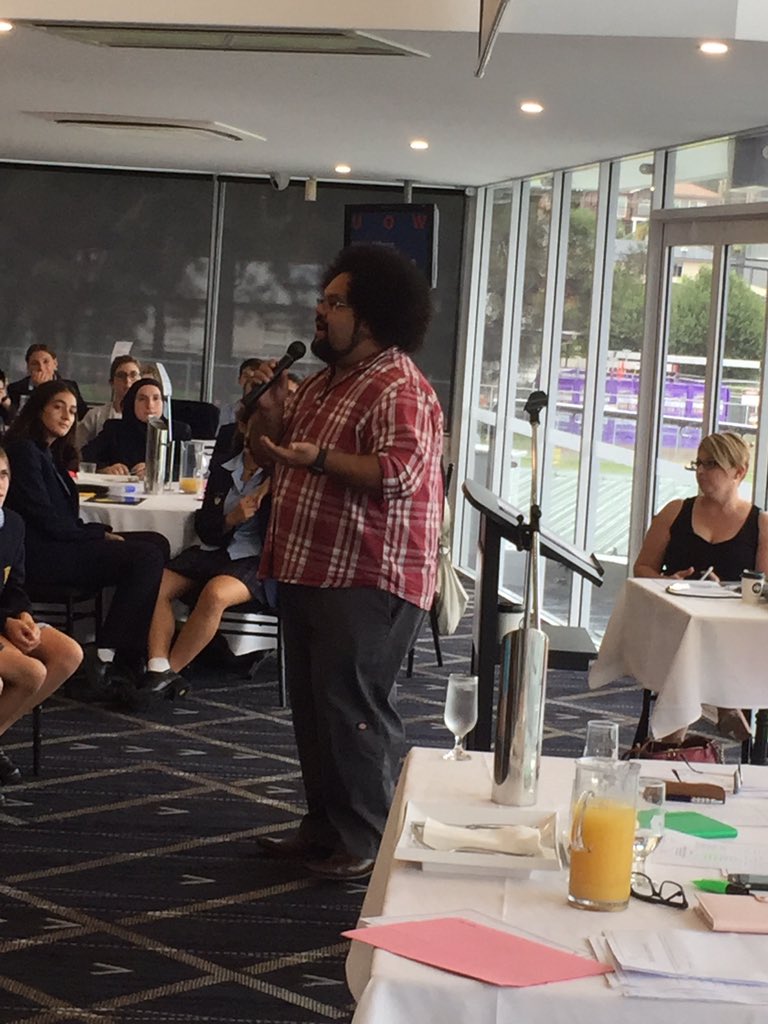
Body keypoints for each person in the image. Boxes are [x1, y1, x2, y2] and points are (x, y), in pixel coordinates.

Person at [251, 244, 444, 881]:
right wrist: (270, 421)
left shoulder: (399, 385)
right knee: (313, 707)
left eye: (335, 303)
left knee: (353, 707)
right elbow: (276, 455)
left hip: (370, 576)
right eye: (323, 299)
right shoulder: (327, 383)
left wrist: (320, 460)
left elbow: (400, 474)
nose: (320, 311)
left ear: (372, 317)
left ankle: (364, 839)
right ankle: (323, 827)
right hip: (311, 568)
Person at [4, 381, 169, 692]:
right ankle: (106, 654)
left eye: (73, 410)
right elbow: (46, 520)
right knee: (145, 556)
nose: (67, 416)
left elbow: (61, 519)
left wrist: (95, 535)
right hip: (42, 554)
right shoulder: (25, 452)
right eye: (58, 407)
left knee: (157, 543)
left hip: (62, 542)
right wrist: (98, 535)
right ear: (39, 409)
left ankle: (129, 652)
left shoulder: (49, 452)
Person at [634, 430, 768, 741]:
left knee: (708, 635)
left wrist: (727, 590)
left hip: (729, 625)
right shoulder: (676, 510)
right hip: (677, 614)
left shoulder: (760, 524)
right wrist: (668, 580)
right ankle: (724, 703)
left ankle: (675, 733)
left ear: (739, 472)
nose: (701, 472)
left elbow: (761, 588)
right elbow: (642, 567)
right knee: (689, 632)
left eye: (712, 465)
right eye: (699, 463)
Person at [140, 405, 271, 705]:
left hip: (256, 559)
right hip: (216, 549)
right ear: (244, 428)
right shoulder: (225, 467)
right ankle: (158, 666)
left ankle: (170, 670)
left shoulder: (283, 476)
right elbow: (205, 525)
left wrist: (271, 483)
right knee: (156, 585)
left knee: (215, 594)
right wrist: (230, 519)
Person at [0, 445, 84, 800]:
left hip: (2, 618)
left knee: (69, 653)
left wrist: (23, 616)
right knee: (30, 673)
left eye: (3, 475)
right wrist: (6, 623)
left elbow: (15, 585)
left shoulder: (13, 524)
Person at [81, 377, 191, 478]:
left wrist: (158, 471)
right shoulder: (114, 430)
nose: (150, 405)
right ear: (132, 403)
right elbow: (84, 457)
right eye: (142, 399)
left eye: (156, 398)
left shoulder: (177, 431)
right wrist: (105, 469)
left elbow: (189, 469)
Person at [75, 354, 142, 451]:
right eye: (121, 376)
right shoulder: (96, 416)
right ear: (112, 383)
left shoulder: (146, 418)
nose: (127, 381)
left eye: (133, 375)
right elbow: (76, 450)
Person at [8, 344, 88, 419]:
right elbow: (15, 418)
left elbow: (82, 416)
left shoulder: (70, 387)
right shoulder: (15, 389)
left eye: (46, 362)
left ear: (55, 364)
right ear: (28, 368)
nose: (41, 368)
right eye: (35, 364)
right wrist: (40, 390)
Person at [218, 357, 264, 428]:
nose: (250, 382)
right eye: (246, 376)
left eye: (255, 377)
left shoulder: (269, 413)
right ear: (239, 380)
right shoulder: (227, 411)